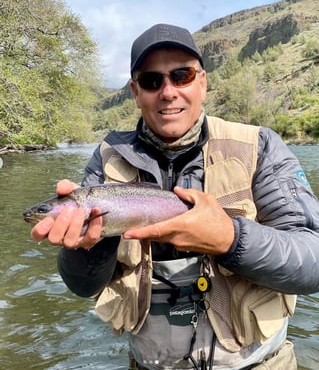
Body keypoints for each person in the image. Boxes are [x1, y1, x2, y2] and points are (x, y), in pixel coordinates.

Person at [31, 23, 319, 370]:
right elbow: (81, 285)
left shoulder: (260, 145)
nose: (168, 92)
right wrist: (89, 247)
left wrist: (231, 239)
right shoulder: (107, 158)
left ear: (202, 82)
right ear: (136, 92)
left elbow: (312, 260)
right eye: (152, 81)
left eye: (181, 76)